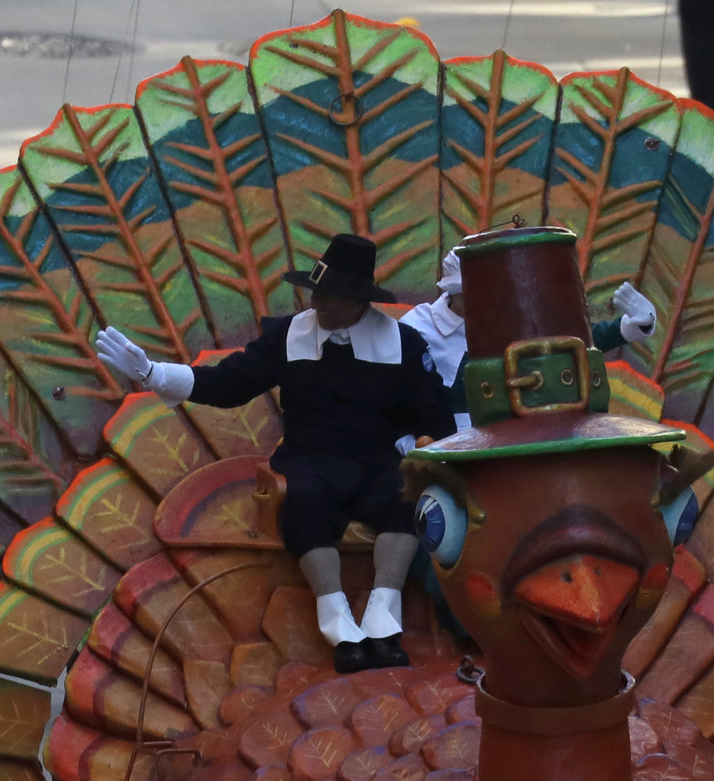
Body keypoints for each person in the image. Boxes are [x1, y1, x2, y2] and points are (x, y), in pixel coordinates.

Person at [90, 234, 455, 672]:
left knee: (405, 499)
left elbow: (436, 419)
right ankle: (340, 628)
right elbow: (228, 384)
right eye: (315, 292)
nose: (318, 303)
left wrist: (420, 451)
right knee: (304, 502)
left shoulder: (405, 345)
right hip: (309, 459)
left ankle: (383, 621)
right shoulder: (288, 336)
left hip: (377, 459)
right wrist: (153, 373)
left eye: (330, 297)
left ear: (358, 300)